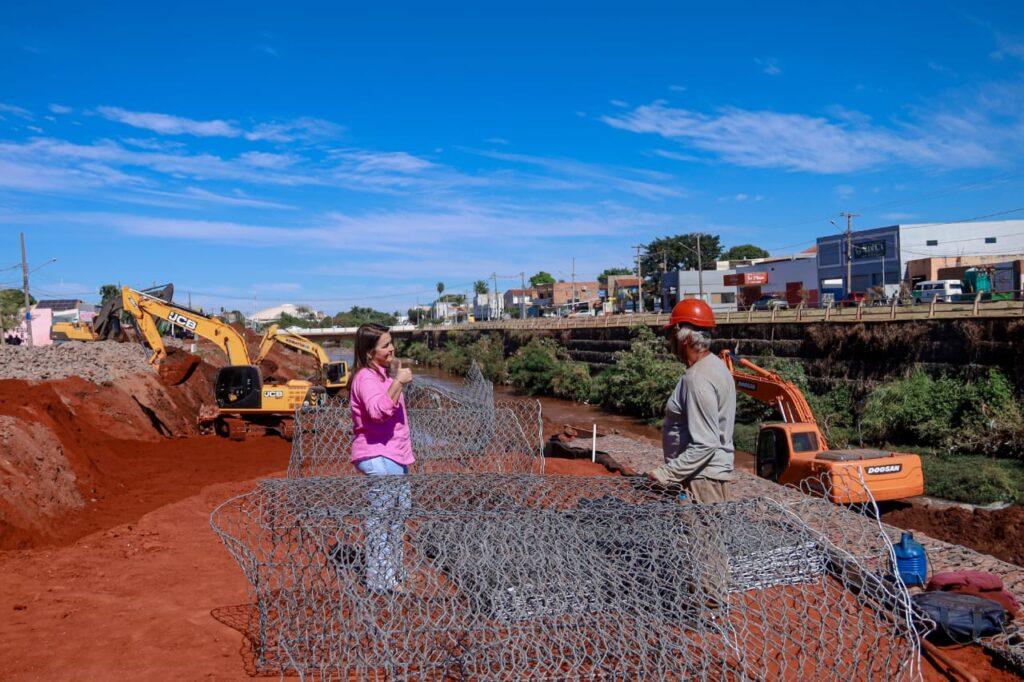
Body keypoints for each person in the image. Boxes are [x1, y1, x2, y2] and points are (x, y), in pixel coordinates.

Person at [647, 299, 736, 504]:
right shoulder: (717, 367)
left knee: (698, 536)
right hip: (708, 477)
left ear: (683, 338)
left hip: (701, 481)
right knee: (710, 535)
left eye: (671, 335)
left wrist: (665, 474)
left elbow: (706, 443)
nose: (670, 342)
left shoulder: (697, 378)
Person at [349, 323, 415, 593]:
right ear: (369, 352)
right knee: (382, 519)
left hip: (394, 455)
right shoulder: (365, 378)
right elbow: (377, 412)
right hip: (378, 454)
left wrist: (395, 382)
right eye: (385, 345)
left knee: (397, 517)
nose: (392, 349)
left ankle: (393, 574)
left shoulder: (382, 377)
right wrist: (399, 382)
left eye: (391, 343)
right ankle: (381, 581)